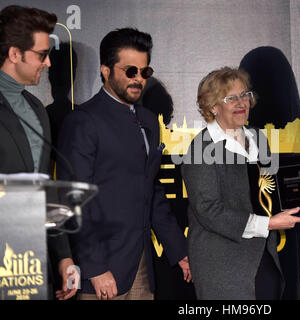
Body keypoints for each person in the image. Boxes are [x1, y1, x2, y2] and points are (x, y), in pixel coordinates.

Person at [57, 27, 191, 300]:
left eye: (145, 72)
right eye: (131, 71)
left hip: (140, 267)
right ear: (106, 70)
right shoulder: (83, 121)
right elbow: (75, 200)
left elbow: (151, 192)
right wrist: (94, 268)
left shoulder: (149, 121)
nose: (139, 79)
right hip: (101, 270)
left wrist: (179, 250)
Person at [181, 67, 300, 300]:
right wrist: (267, 224)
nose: (242, 103)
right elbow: (208, 210)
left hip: (263, 254)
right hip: (222, 263)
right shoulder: (201, 149)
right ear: (213, 106)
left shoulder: (256, 137)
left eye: (244, 94)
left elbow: (274, 187)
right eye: (231, 98)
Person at [0, 5, 78, 300]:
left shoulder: (37, 111)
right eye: (42, 55)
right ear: (14, 54)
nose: (47, 64)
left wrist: (63, 257)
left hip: (33, 264)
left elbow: (43, 188)